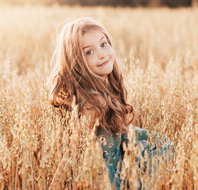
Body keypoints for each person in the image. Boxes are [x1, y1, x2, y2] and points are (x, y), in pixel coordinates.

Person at [48, 17, 174, 189]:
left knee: (158, 144)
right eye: (89, 52)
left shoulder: (100, 86)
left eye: (103, 44)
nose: (102, 54)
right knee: (160, 148)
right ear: (77, 62)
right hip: (106, 173)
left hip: (115, 151)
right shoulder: (93, 104)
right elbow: (74, 149)